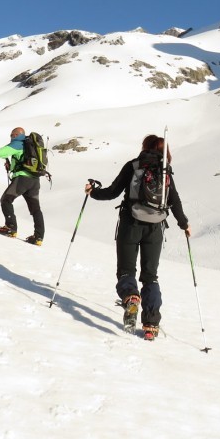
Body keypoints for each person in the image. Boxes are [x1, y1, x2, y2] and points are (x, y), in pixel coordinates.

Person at [85, 134, 191, 340]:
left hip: (130, 223)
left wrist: (92, 192)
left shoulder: (133, 166)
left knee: (126, 271)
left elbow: (112, 192)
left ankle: (131, 297)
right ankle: (151, 325)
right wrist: (184, 224)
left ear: (145, 147)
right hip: (156, 227)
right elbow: (175, 201)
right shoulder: (165, 171)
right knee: (150, 275)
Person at [0, 127, 45, 245]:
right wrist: (11, 167)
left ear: (16, 135)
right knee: (35, 209)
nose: (11, 137)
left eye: (12, 135)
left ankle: (11, 228)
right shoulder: (30, 145)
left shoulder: (17, 143)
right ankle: (38, 237)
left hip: (23, 179)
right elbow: (23, 161)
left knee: (6, 200)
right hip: (35, 180)